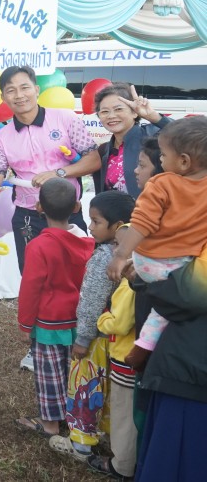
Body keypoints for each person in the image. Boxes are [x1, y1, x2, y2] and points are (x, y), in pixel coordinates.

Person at [0, 65, 99, 372]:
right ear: (3, 97)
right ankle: (37, 346)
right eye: (11, 90)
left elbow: (93, 159)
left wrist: (59, 173)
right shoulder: (2, 137)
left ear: (36, 89)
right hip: (28, 216)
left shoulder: (66, 119)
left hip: (67, 212)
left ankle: (83, 340)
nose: (19, 95)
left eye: (24, 87)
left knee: (77, 277)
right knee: (35, 278)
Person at [107, 117, 207, 371]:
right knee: (164, 310)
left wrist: (120, 255)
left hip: (151, 262)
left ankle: (142, 349)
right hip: (185, 265)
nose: (161, 161)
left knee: (160, 304)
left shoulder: (162, 184)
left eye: (163, 155)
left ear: (183, 161)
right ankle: (144, 346)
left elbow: (142, 223)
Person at [49, 190, 135, 463]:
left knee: (85, 388)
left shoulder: (103, 258)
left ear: (118, 226)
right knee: (109, 391)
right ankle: (108, 435)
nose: (90, 226)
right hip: (117, 341)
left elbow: (91, 302)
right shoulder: (134, 255)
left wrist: (83, 338)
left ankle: (81, 444)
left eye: (96, 221)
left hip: (95, 340)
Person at [14, 179, 93, 438]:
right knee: (76, 371)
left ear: (39, 207)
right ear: (76, 207)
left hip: (49, 322)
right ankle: (76, 418)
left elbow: (30, 288)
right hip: (79, 320)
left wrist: (25, 324)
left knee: (50, 375)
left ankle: (50, 424)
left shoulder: (38, 246)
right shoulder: (88, 243)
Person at [130, 256, 207, 481]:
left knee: (173, 462)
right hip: (187, 372)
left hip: (190, 379)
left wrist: (142, 275)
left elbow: (186, 294)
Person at [91, 276, 138, 478]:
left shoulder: (129, 285)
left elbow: (120, 323)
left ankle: (122, 465)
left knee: (123, 413)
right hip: (135, 358)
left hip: (125, 358)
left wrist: (103, 318)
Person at [94, 83, 170, 195]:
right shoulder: (103, 150)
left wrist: (153, 116)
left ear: (134, 112)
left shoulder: (153, 138)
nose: (111, 116)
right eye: (105, 111)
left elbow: (190, 135)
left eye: (118, 109)